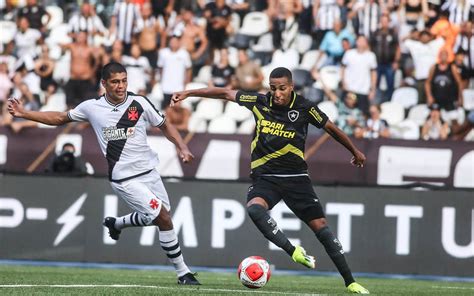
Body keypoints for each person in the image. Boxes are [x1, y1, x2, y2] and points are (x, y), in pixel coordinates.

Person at [171, 67, 369, 294]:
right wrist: (189, 93)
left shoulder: (305, 107)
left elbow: (330, 128)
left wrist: (354, 151)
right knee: (255, 210)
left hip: (296, 179)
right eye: (273, 88)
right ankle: (293, 251)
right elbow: (226, 93)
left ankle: (350, 281)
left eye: (282, 89)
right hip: (265, 178)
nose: (277, 93)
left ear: (291, 87)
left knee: (321, 228)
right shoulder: (259, 101)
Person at [7, 62, 200, 285]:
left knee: (160, 215)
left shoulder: (139, 103)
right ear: (104, 84)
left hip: (149, 171)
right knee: (164, 219)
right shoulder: (92, 107)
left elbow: (164, 125)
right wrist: (25, 113)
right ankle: (183, 272)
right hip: (124, 178)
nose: (121, 86)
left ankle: (117, 224)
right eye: (115, 82)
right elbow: (60, 118)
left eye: (124, 81)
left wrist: (182, 147)